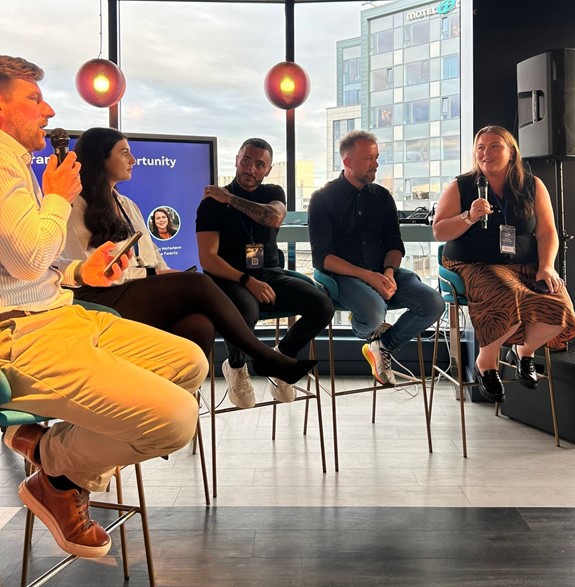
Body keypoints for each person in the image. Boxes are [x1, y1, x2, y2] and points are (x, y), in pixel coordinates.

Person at [0, 56, 206, 558]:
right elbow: (27, 260)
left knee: (191, 363)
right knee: (177, 421)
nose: (48, 110)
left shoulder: (16, 164)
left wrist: (79, 272)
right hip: (20, 335)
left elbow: (20, 268)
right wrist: (56, 196)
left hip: (60, 311)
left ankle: (58, 465)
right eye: (33, 99)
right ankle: (55, 464)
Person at [64, 127, 316, 383]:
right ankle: (267, 358)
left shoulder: (125, 204)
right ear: (101, 157)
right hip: (101, 297)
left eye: (260, 164)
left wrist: (164, 273)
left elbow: (151, 255)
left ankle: (178, 402)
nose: (133, 160)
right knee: (200, 282)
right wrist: (154, 274)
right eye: (125, 153)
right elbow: (86, 271)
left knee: (200, 325)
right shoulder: (75, 206)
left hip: (139, 287)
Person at [432, 125, 575, 402]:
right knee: (508, 295)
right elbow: (439, 231)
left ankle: (524, 352)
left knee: (560, 307)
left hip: (524, 264)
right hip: (474, 263)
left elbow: (547, 232)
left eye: (494, 146)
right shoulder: (461, 186)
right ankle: (486, 362)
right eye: (480, 147)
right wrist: (469, 216)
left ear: (511, 152)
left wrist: (546, 266)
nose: (485, 152)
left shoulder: (532, 185)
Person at [196, 138, 334, 408]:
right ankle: (235, 366)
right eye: (246, 160)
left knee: (322, 306)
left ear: (268, 170)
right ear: (237, 159)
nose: (251, 168)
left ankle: (281, 357)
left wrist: (231, 199)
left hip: (268, 273)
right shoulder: (212, 203)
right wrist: (246, 280)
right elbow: (208, 259)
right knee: (246, 313)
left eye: (260, 164)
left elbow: (273, 217)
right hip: (228, 278)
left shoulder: (273, 191)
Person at [308, 130, 445, 385]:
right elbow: (322, 258)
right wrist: (366, 275)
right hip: (343, 277)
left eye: (377, 157)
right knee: (373, 312)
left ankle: (381, 346)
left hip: (383, 272)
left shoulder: (382, 197)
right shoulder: (322, 198)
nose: (376, 164)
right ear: (347, 162)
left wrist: (389, 272)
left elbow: (395, 244)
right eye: (369, 158)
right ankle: (368, 331)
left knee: (434, 303)